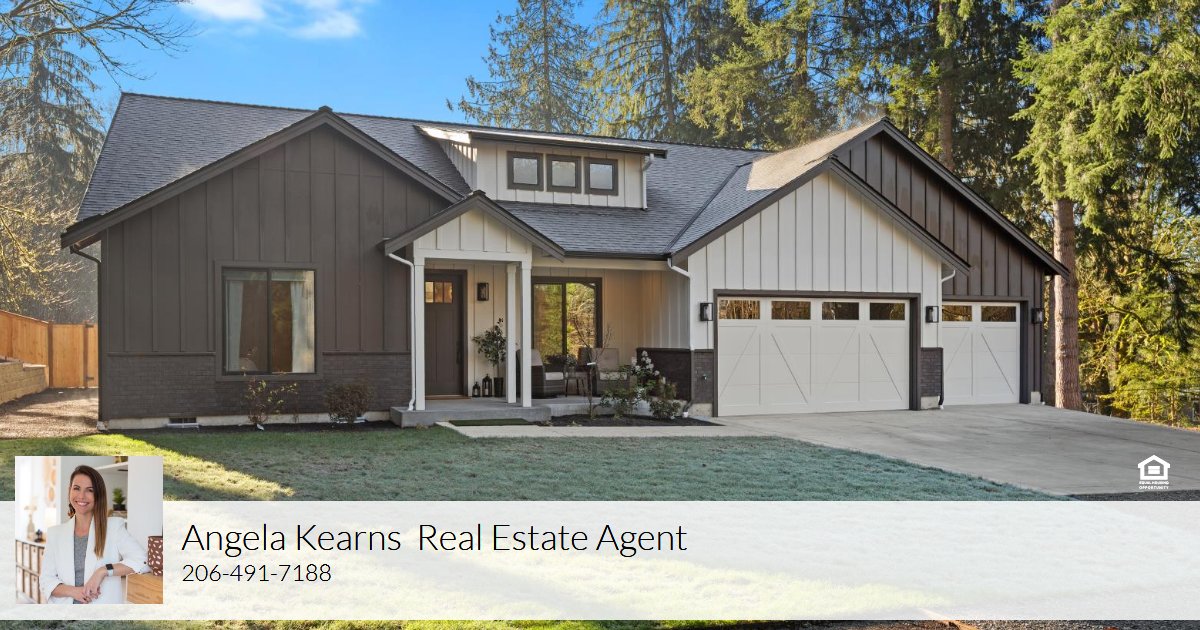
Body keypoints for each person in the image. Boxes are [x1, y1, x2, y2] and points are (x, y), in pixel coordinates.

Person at [40, 465, 149, 604]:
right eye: (76, 488)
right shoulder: (55, 533)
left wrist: (103, 571)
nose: (81, 496)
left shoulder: (114, 527)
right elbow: (46, 581)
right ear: (69, 491)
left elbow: (143, 561)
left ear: (98, 495)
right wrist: (75, 592)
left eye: (89, 490)